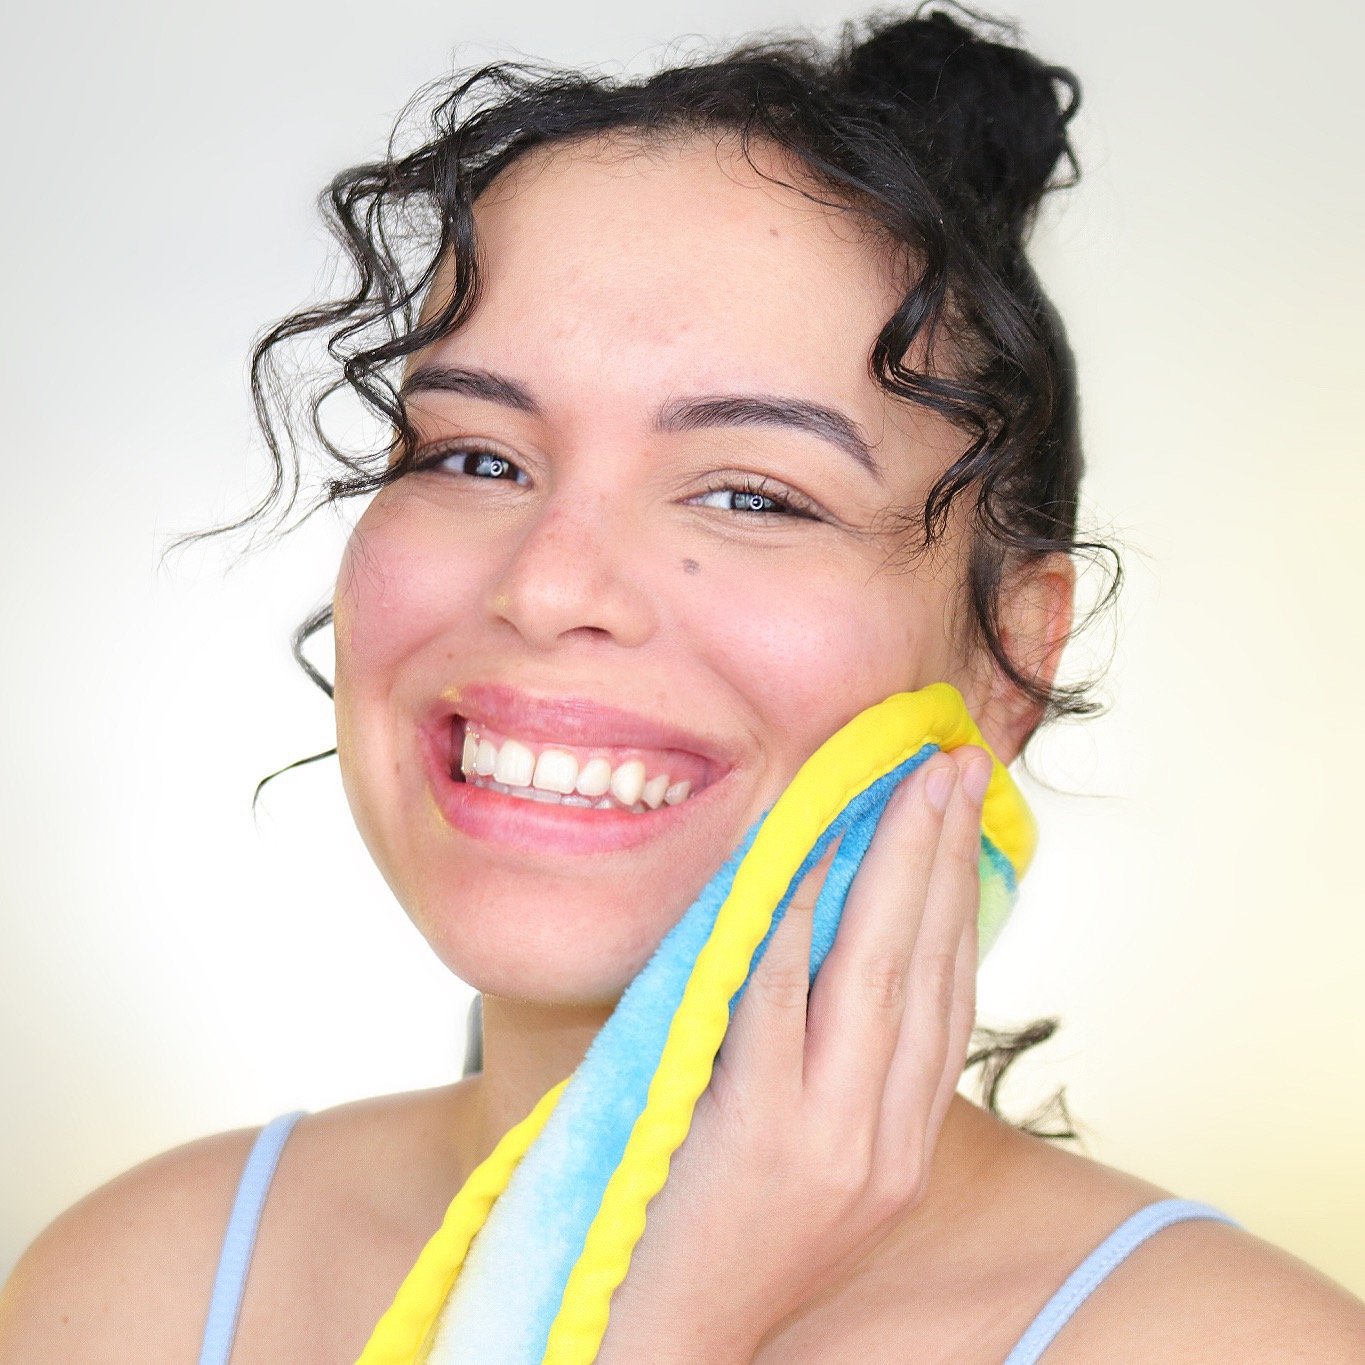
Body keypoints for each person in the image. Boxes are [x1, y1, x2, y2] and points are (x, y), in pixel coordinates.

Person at [3, 3, 1363, 1360]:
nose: (546, 585)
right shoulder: (140, 1288)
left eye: (750, 493)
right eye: (475, 456)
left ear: (1012, 652)